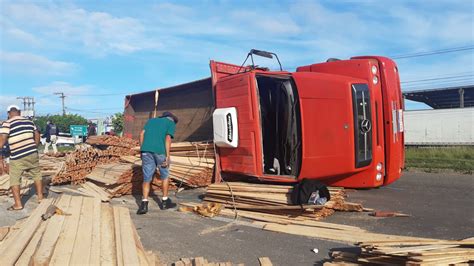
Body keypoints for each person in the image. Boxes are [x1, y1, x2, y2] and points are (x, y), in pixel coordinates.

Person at [0, 105, 43, 210]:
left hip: (18, 155)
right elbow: (37, 133)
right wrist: (35, 146)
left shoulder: (7, 123)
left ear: (9, 113)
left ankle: (18, 204)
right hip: (32, 152)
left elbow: (3, 138)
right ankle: (41, 197)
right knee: (36, 174)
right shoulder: (29, 121)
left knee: (15, 179)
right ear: (19, 112)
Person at [137, 111, 178, 214]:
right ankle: (164, 202)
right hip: (160, 152)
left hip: (146, 151)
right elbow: (167, 139)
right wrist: (168, 156)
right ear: (172, 119)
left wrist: (142, 150)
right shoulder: (170, 123)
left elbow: (141, 134)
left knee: (147, 178)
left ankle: (144, 204)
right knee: (165, 176)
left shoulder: (151, 121)